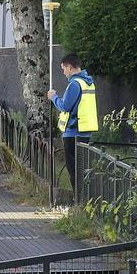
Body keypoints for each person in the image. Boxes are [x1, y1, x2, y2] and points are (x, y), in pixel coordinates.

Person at [47, 54, 99, 192]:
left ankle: (78, 199)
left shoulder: (75, 84)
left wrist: (54, 97)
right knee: (83, 168)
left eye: (64, 68)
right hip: (85, 130)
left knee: (74, 169)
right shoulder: (89, 83)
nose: (63, 72)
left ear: (70, 67)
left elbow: (65, 106)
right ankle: (86, 198)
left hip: (73, 132)